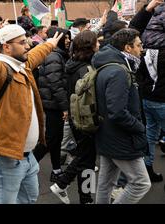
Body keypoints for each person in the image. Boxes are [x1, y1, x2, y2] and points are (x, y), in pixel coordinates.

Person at [0, 24, 63, 204]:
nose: (28, 46)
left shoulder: (21, 65)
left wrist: (50, 44)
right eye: (23, 42)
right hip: (5, 159)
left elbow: (35, 55)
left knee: (28, 199)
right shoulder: (0, 70)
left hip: (26, 156)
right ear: (7, 47)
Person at [94, 28, 151, 204]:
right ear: (127, 47)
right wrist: (139, 127)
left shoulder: (108, 65)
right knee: (141, 183)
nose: (141, 49)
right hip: (122, 138)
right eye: (139, 45)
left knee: (106, 183)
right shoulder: (118, 71)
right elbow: (117, 111)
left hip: (108, 135)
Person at [49, 30, 100, 204]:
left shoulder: (72, 63)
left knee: (85, 156)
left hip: (75, 116)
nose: (99, 45)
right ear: (90, 46)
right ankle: (84, 197)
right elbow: (90, 96)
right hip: (85, 118)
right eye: (96, 43)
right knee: (87, 160)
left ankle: (69, 188)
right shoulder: (86, 69)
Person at [129, 0, 165, 183]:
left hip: (147, 98)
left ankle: (148, 168)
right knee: (150, 134)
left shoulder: (142, 42)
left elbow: (132, 28)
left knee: (150, 134)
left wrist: (147, 9)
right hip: (161, 100)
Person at [34, 28, 71, 183]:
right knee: (50, 139)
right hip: (53, 104)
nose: (68, 41)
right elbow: (55, 83)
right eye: (66, 38)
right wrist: (64, 107)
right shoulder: (54, 56)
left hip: (54, 102)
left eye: (69, 38)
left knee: (56, 138)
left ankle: (56, 170)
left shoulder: (59, 54)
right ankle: (27, 166)